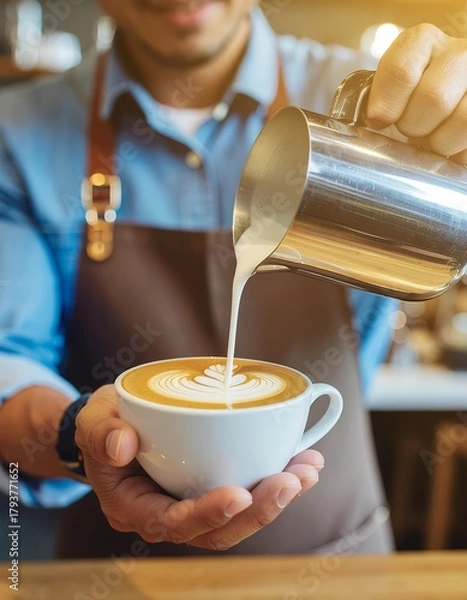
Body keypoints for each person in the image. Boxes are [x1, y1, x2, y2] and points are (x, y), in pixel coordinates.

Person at [0, 0, 466, 558]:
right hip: (121, 567)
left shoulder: (379, 104)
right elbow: (9, 363)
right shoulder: (19, 132)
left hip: (338, 560)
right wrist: (83, 434)